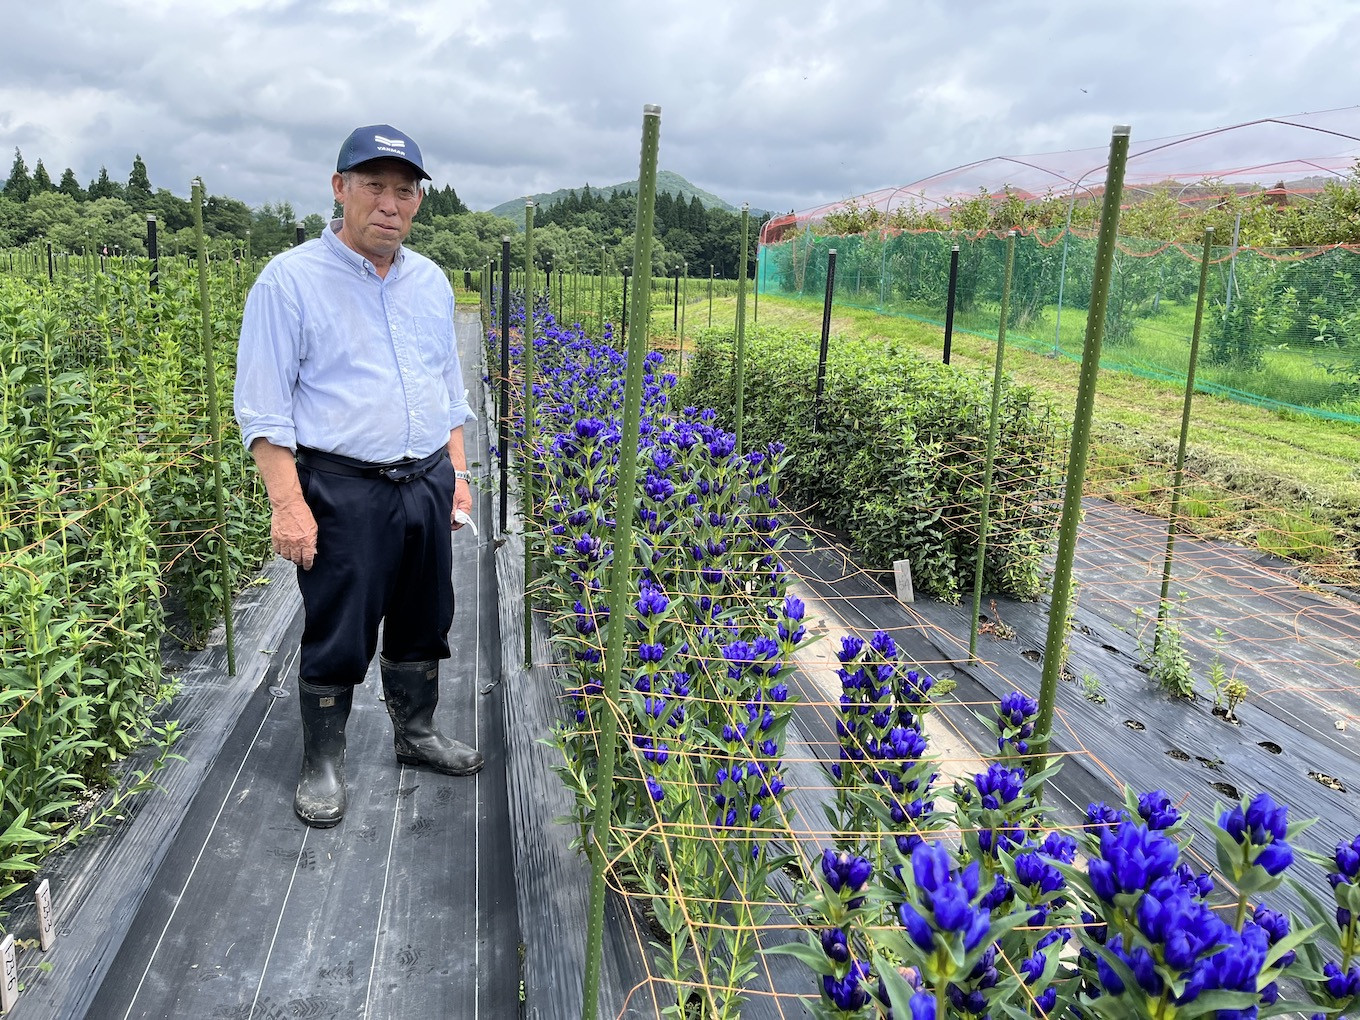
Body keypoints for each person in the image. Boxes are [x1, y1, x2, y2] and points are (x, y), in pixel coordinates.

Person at [234, 124, 482, 829]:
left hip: (427, 479)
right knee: (340, 625)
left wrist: (457, 473)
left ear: (419, 202)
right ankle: (323, 760)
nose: (389, 203)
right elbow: (262, 408)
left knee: (424, 617)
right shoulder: (290, 281)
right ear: (339, 188)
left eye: (404, 190)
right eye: (373, 185)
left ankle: (416, 733)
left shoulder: (430, 282)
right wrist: (290, 505)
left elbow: (446, 386)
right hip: (344, 486)